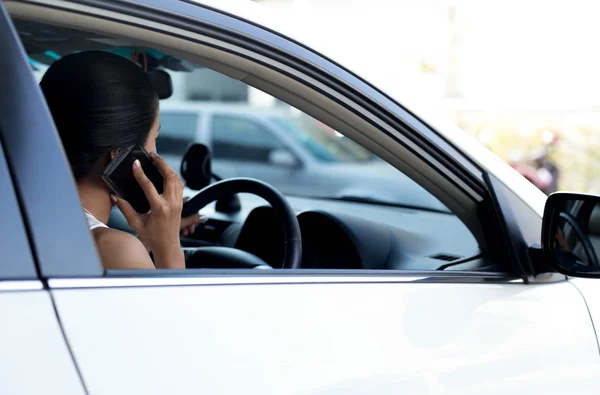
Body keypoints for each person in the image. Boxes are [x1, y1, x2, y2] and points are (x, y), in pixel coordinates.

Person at [40, 51, 204, 270]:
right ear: (120, 156)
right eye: (154, 138)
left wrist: (151, 238)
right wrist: (169, 246)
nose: (155, 153)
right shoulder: (112, 247)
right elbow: (176, 304)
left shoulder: (35, 215)